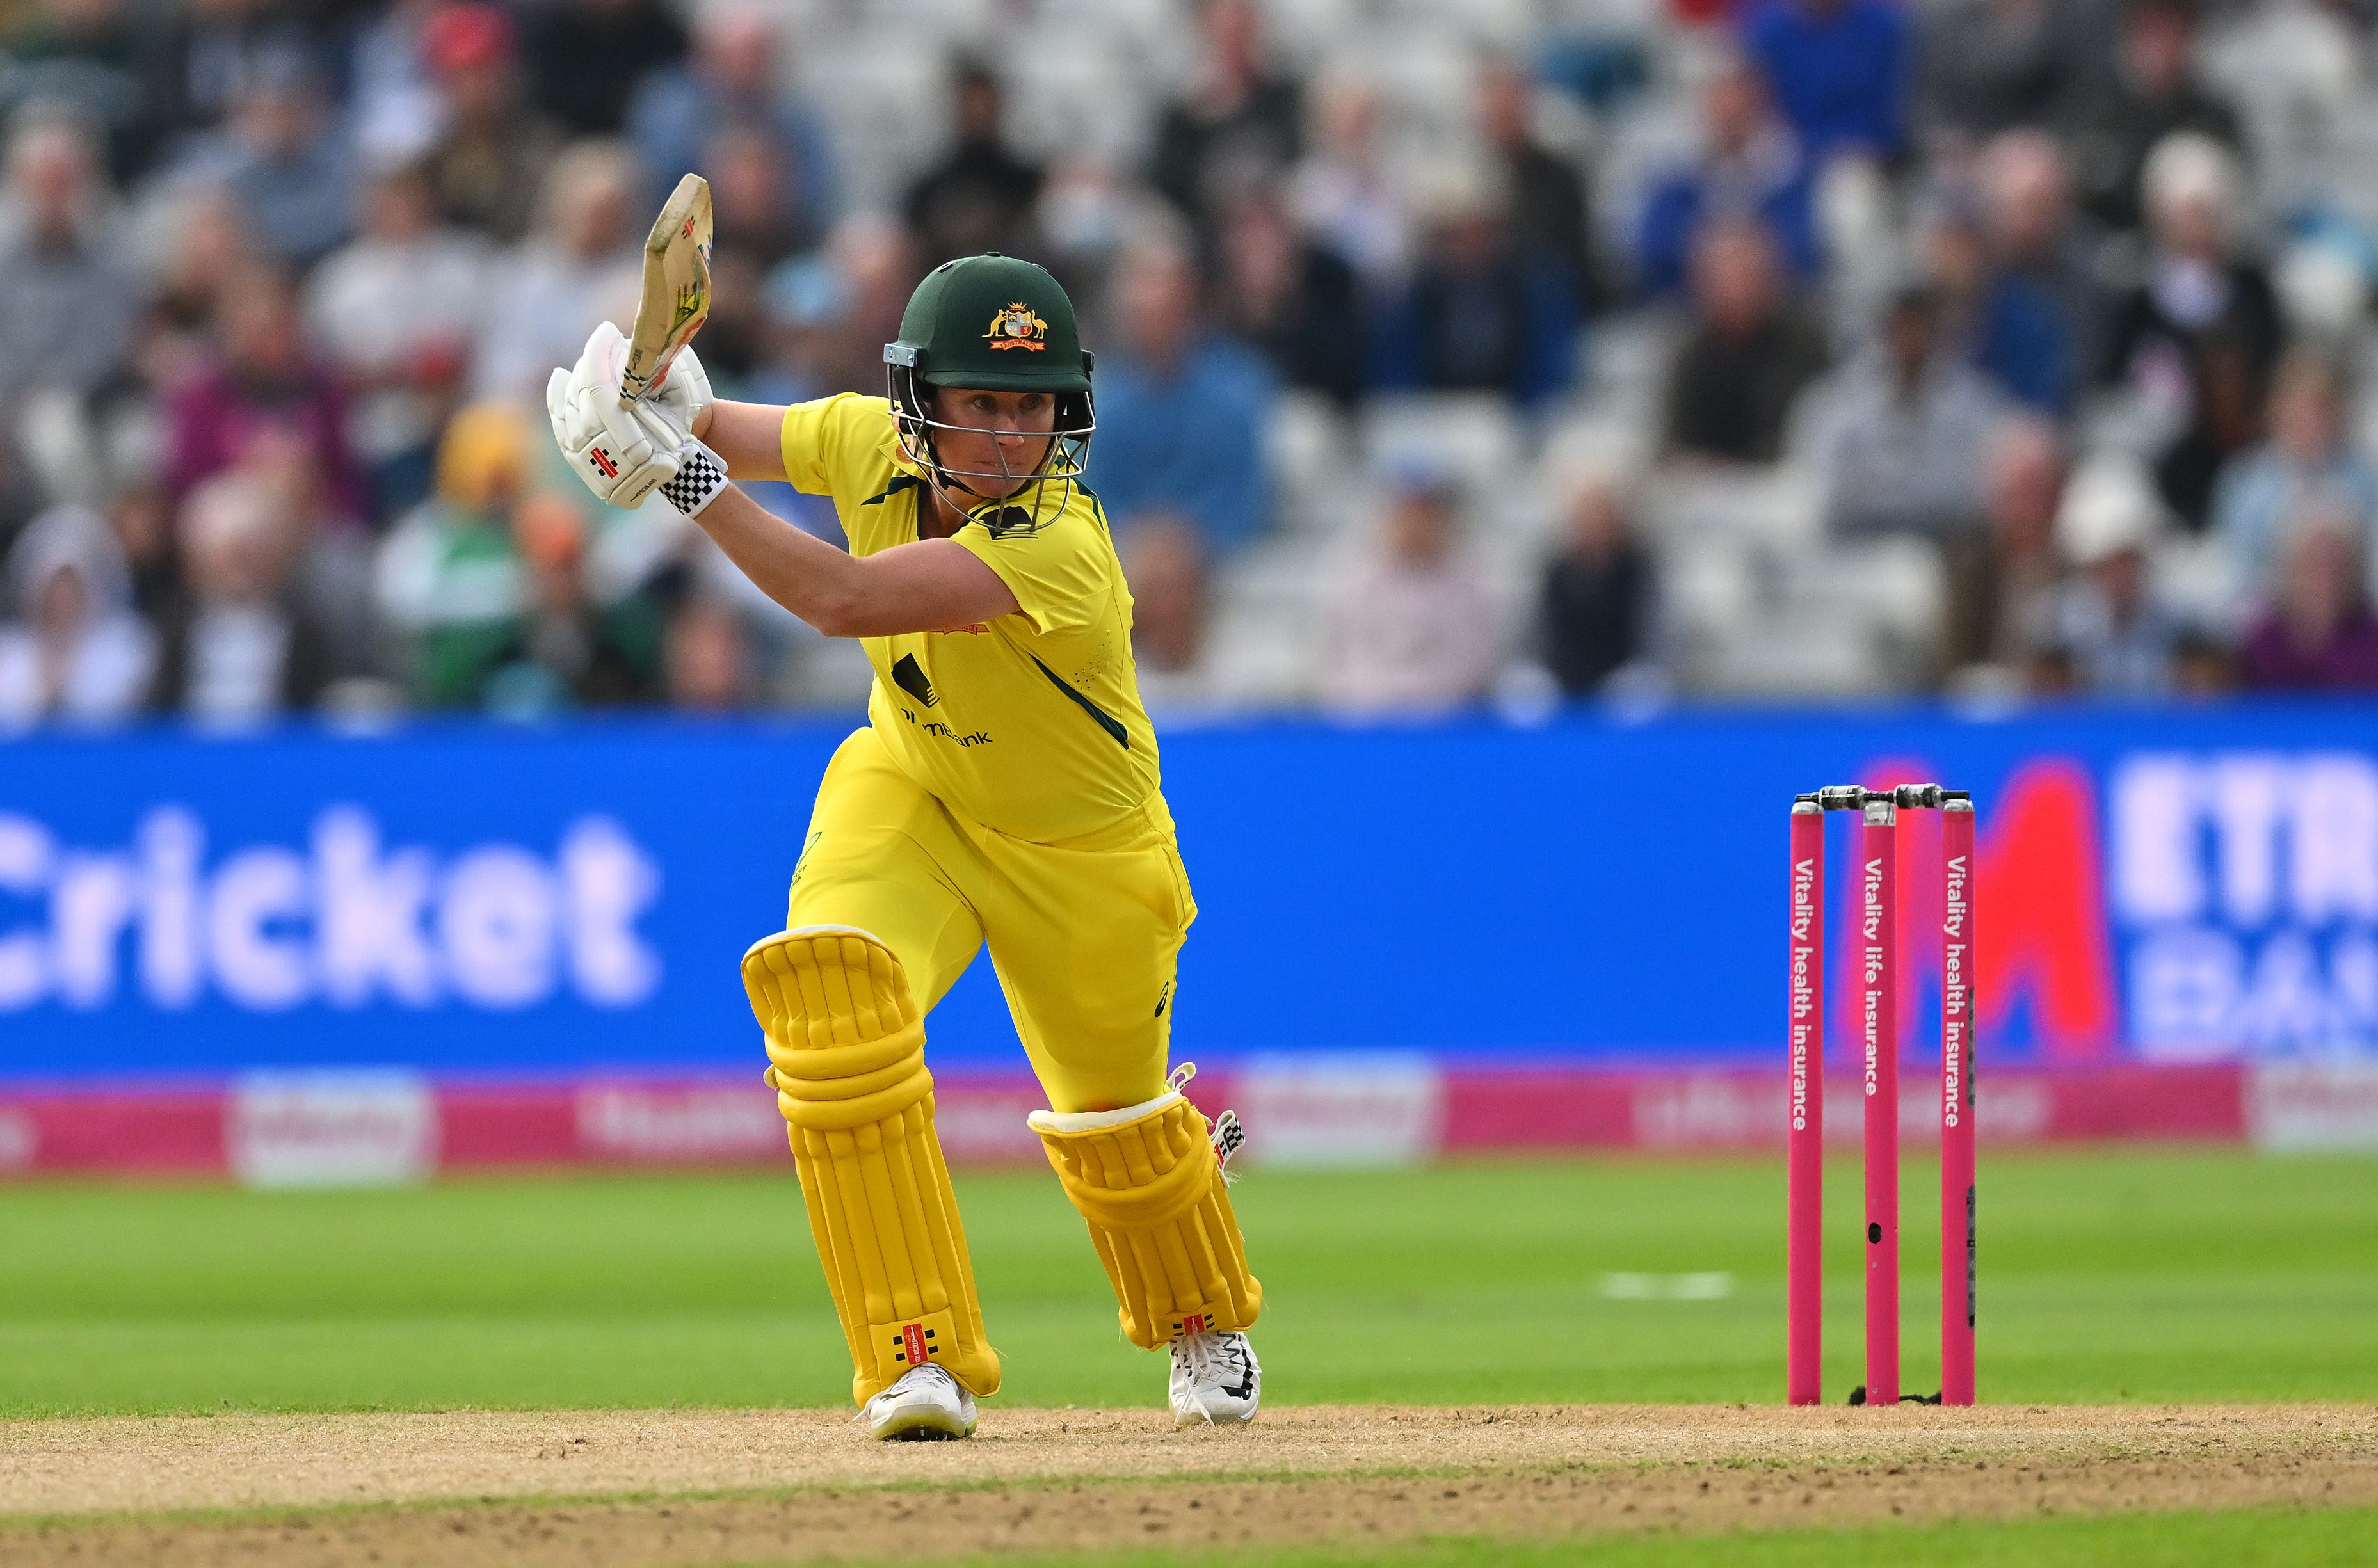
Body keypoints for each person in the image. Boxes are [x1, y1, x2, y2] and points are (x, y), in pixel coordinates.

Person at [546, 251, 1264, 1438]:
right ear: (920, 399)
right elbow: (712, 422)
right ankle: (912, 1356)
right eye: (978, 402)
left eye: (1029, 406)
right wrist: (638, 395)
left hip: (1083, 856)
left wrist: (681, 486)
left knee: (1120, 1125)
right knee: (831, 1005)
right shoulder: (866, 438)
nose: (1004, 437)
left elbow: (845, 600)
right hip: (914, 784)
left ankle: (1202, 1316)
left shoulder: (1063, 551)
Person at [2098, 132, 2281, 529]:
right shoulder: (2138, 301)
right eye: (2190, 212)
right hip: (2164, 461)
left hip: (2245, 451)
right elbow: (2112, 382)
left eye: (2209, 211)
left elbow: (2275, 369)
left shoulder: (2254, 290)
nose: (2201, 225)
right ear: (2161, 216)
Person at [1086, 239, 1273, 557]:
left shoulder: (1240, 386)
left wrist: (1187, 546)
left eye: (1162, 299)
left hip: (1221, 566)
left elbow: (1244, 494)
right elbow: (1092, 492)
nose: (1148, 309)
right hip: (1122, 561)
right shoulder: (1099, 396)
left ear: (1189, 297)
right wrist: (1138, 541)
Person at [1801, 280, 2007, 538]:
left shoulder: (1978, 403)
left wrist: (1881, 486)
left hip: (1949, 547)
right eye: (1901, 325)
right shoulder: (1832, 405)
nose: (1910, 338)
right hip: (1859, 548)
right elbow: (1825, 496)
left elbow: (1981, 496)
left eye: (1920, 325)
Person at [148, 468, 334, 722]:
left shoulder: (306, 632)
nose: (245, 566)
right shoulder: (171, 627)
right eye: (232, 552)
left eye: (256, 551)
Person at [1320, 463, 1499, 714]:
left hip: (1447, 723)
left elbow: (1472, 663)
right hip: (1372, 722)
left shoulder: (1469, 582)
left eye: (1426, 515)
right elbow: (1346, 659)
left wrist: (1421, 708)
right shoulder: (1358, 580)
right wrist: (1387, 707)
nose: (1417, 525)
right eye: (1408, 514)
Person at [2208, 349, 2378, 614]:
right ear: (2280, 409)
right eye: (2305, 408)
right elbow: (2237, 573)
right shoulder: (2245, 484)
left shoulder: (2366, 480)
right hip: (2272, 622)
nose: (2316, 420)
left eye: (2325, 407)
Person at [1635, 56, 1818, 298]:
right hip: (1686, 301)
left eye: (1738, 99)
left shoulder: (1790, 168)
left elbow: (1806, 244)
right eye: (1719, 101)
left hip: (1779, 301)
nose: (1729, 110)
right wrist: (1708, 256)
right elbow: (1653, 246)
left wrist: (1752, 258)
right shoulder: (1674, 172)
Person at [1661, 216, 1829, 465]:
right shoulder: (1687, 354)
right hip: (1704, 487)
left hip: (1783, 483)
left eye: (1749, 274)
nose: (1738, 287)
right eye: (1724, 273)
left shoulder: (1807, 347)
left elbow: (1815, 435)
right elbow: (1674, 441)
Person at [0, 114, 138, 403]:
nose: (54, 190)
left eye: (64, 178)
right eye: (43, 178)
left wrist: (52, 390)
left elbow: (105, 339)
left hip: (83, 398)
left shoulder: (113, 249)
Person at [2039, 452, 2185, 695]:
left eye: (2126, 557)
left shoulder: (2179, 618)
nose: (2117, 571)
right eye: (2106, 561)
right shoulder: (2055, 623)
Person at [0, 502, 155, 727]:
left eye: (70, 589)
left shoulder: (125, 648)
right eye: (54, 589)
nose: (62, 599)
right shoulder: (9, 653)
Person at [903, 60, 1043, 267]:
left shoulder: (1027, 182)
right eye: (969, 104)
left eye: (983, 104)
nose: (977, 112)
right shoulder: (926, 189)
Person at [1739, 0, 1912, 165]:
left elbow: (1889, 110)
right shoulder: (1769, 30)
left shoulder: (1882, 27)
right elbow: (1762, 107)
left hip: (1858, 153)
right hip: (1788, 150)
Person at [1538, 464, 1651, 696]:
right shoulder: (1557, 571)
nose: (1594, 528)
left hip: (1625, 675)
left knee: (1639, 693)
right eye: (1587, 519)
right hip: (1561, 675)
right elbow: (1545, 632)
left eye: (1601, 518)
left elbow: (1647, 633)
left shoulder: (1638, 570)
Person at [2237, 506, 2378, 689]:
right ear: (2290, 570)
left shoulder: (2372, 642)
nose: (2326, 579)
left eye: (2336, 564)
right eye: (2315, 564)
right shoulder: (2262, 646)